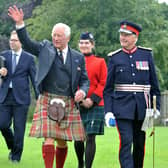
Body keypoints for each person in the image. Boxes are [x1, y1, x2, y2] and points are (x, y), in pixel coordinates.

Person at [8, 5, 89, 168]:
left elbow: (85, 80)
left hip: (68, 100)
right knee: (49, 137)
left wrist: (82, 91)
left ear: (67, 38)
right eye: (54, 35)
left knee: (62, 142)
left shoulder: (78, 57)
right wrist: (20, 25)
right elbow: (28, 43)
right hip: (47, 98)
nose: (56, 38)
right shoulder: (45, 48)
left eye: (59, 36)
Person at [103, 20, 160, 168]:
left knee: (140, 144)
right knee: (126, 141)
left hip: (143, 108)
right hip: (122, 108)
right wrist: (108, 112)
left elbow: (154, 85)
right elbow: (108, 89)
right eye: (121, 34)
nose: (123, 37)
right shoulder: (115, 58)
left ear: (135, 37)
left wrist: (156, 107)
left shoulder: (146, 55)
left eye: (127, 35)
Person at [0, 30, 38, 163]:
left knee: (19, 128)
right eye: (11, 40)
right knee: (2, 124)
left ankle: (16, 157)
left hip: (21, 98)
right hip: (5, 96)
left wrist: (39, 98)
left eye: (15, 40)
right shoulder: (3, 56)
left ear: (21, 42)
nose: (12, 42)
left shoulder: (29, 58)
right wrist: (1, 73)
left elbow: (35, 79)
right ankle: (12, 146)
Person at [74, 32, 107, 168]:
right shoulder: (73, 61)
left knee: (90, 137)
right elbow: (71, 82)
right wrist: (81, 100)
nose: (84, 45)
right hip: (77, 102)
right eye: (81, 43)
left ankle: (88, 167)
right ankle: (80, 163)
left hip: (95, 104)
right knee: (78, 138)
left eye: (87, 43)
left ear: (92, 45)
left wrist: (92, 100)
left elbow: (103, 82)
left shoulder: (100, 62)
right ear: (78, 45)